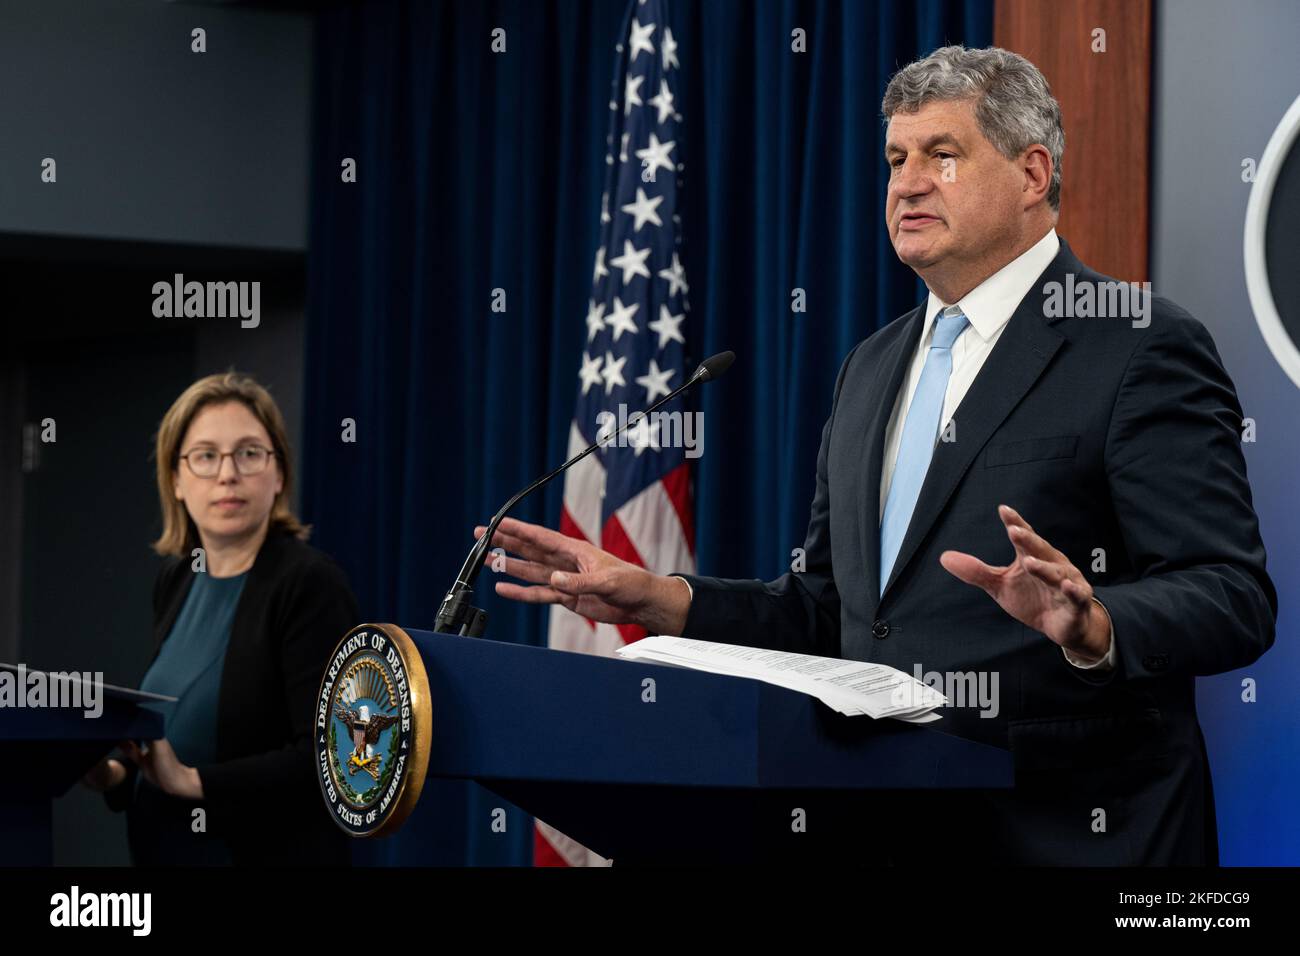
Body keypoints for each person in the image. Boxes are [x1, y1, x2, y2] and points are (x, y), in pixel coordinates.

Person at [475, 46, 1277, 865]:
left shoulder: (1138, 345)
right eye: (896, 158)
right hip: (879, 836)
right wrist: (663, 598)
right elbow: (835, 611)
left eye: (943, 155)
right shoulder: (872, 367)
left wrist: (1096, 624)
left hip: (1077, 838)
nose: (907, 182)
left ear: (1033, 174)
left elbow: (1231, 595)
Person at [82, 371, 358, 865]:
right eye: (206, 456)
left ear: (278, 476)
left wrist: (192, 782)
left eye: (249, 453)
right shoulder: (178, 578)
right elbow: (182, 729)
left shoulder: (309, 583)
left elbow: (331, 762)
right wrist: (114, 772)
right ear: (177, 480)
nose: (227, 473)